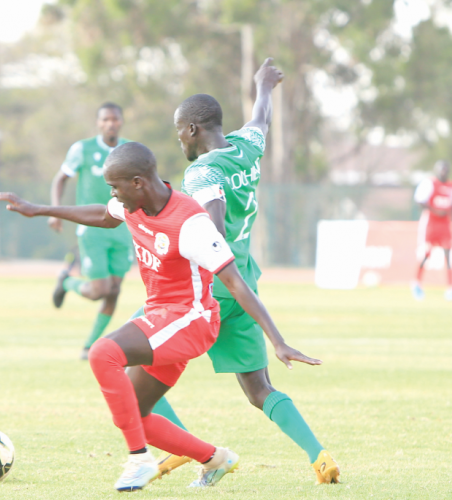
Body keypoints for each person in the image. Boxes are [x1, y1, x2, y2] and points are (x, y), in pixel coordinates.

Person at [0, 142, 316, 491]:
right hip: (162, 317)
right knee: (133, 414)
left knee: (104, 353)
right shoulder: (131, 204)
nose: (113, 195)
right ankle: (216, 458)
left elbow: (237, 285)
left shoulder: (191, 222)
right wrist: (40, 209)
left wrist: (278, 341)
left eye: (115, 187)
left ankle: (139, 460)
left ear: (138, 182)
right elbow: (103, 216)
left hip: (192, 319)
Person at [149, 58, 341, 485]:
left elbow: (213, 230)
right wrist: (264, 87)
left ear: (194, 130)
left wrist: (191, 237)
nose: (178, 138)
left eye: (179, 130)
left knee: (137, 366)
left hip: (210, 290)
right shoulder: (246, 147)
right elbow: (261, 119)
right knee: (259, 391)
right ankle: (319, 456)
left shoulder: (202, 171)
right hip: (244, 284)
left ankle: (184, 450)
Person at [48, 103, 134, 359]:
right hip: (92, 228)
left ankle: (90, 345)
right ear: (99, 123)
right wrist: (55, 210)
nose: (110, 123)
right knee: (99, 291)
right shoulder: (82, 149)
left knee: (115, 290)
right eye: (105, 119)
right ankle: (68, 281)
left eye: (115, 119)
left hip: (122, 229)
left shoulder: (129, 150)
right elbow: (60, 178)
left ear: (121, 122)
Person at [412, 160, 452, 301]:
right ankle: (417, 284)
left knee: (449, 256)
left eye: (445, 169)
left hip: (445, 226)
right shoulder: (429, 184)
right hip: (431, 225)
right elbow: (419, 201)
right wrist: (435, 211)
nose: (443, 172)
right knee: (426, 254)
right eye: (441, 169)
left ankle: (451, 289)